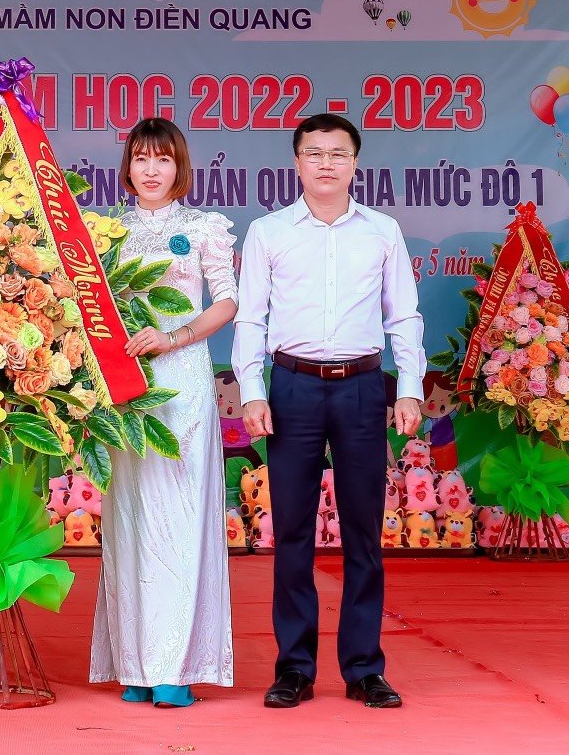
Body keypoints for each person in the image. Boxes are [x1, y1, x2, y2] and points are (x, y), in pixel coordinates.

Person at [233, 112, 424, 709]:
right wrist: (253, 390)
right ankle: (294, 668)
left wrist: (411, 387)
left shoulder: (382, 232)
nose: (325, 163)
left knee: (364, 530)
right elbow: (249, 319)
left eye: (337, 154)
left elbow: (404, 315)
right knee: (291, 530)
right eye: (313, 153)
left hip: (364, 390)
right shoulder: (269, 232)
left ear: (355, 163)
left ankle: (364, 667)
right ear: (296, 163)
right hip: (291, 387)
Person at [90, 117, 235, 708]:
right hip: (123, 383)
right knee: (128, 516)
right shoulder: (105, 231)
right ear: (128, 167)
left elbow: (225, 300)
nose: (152, 170)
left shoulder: (205, 228)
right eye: (142, 159)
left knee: (179, 514)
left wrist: (171, 336)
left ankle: (174, 664)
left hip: (182, 383)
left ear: (180, 167)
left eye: (164, 159)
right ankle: (136, 662)